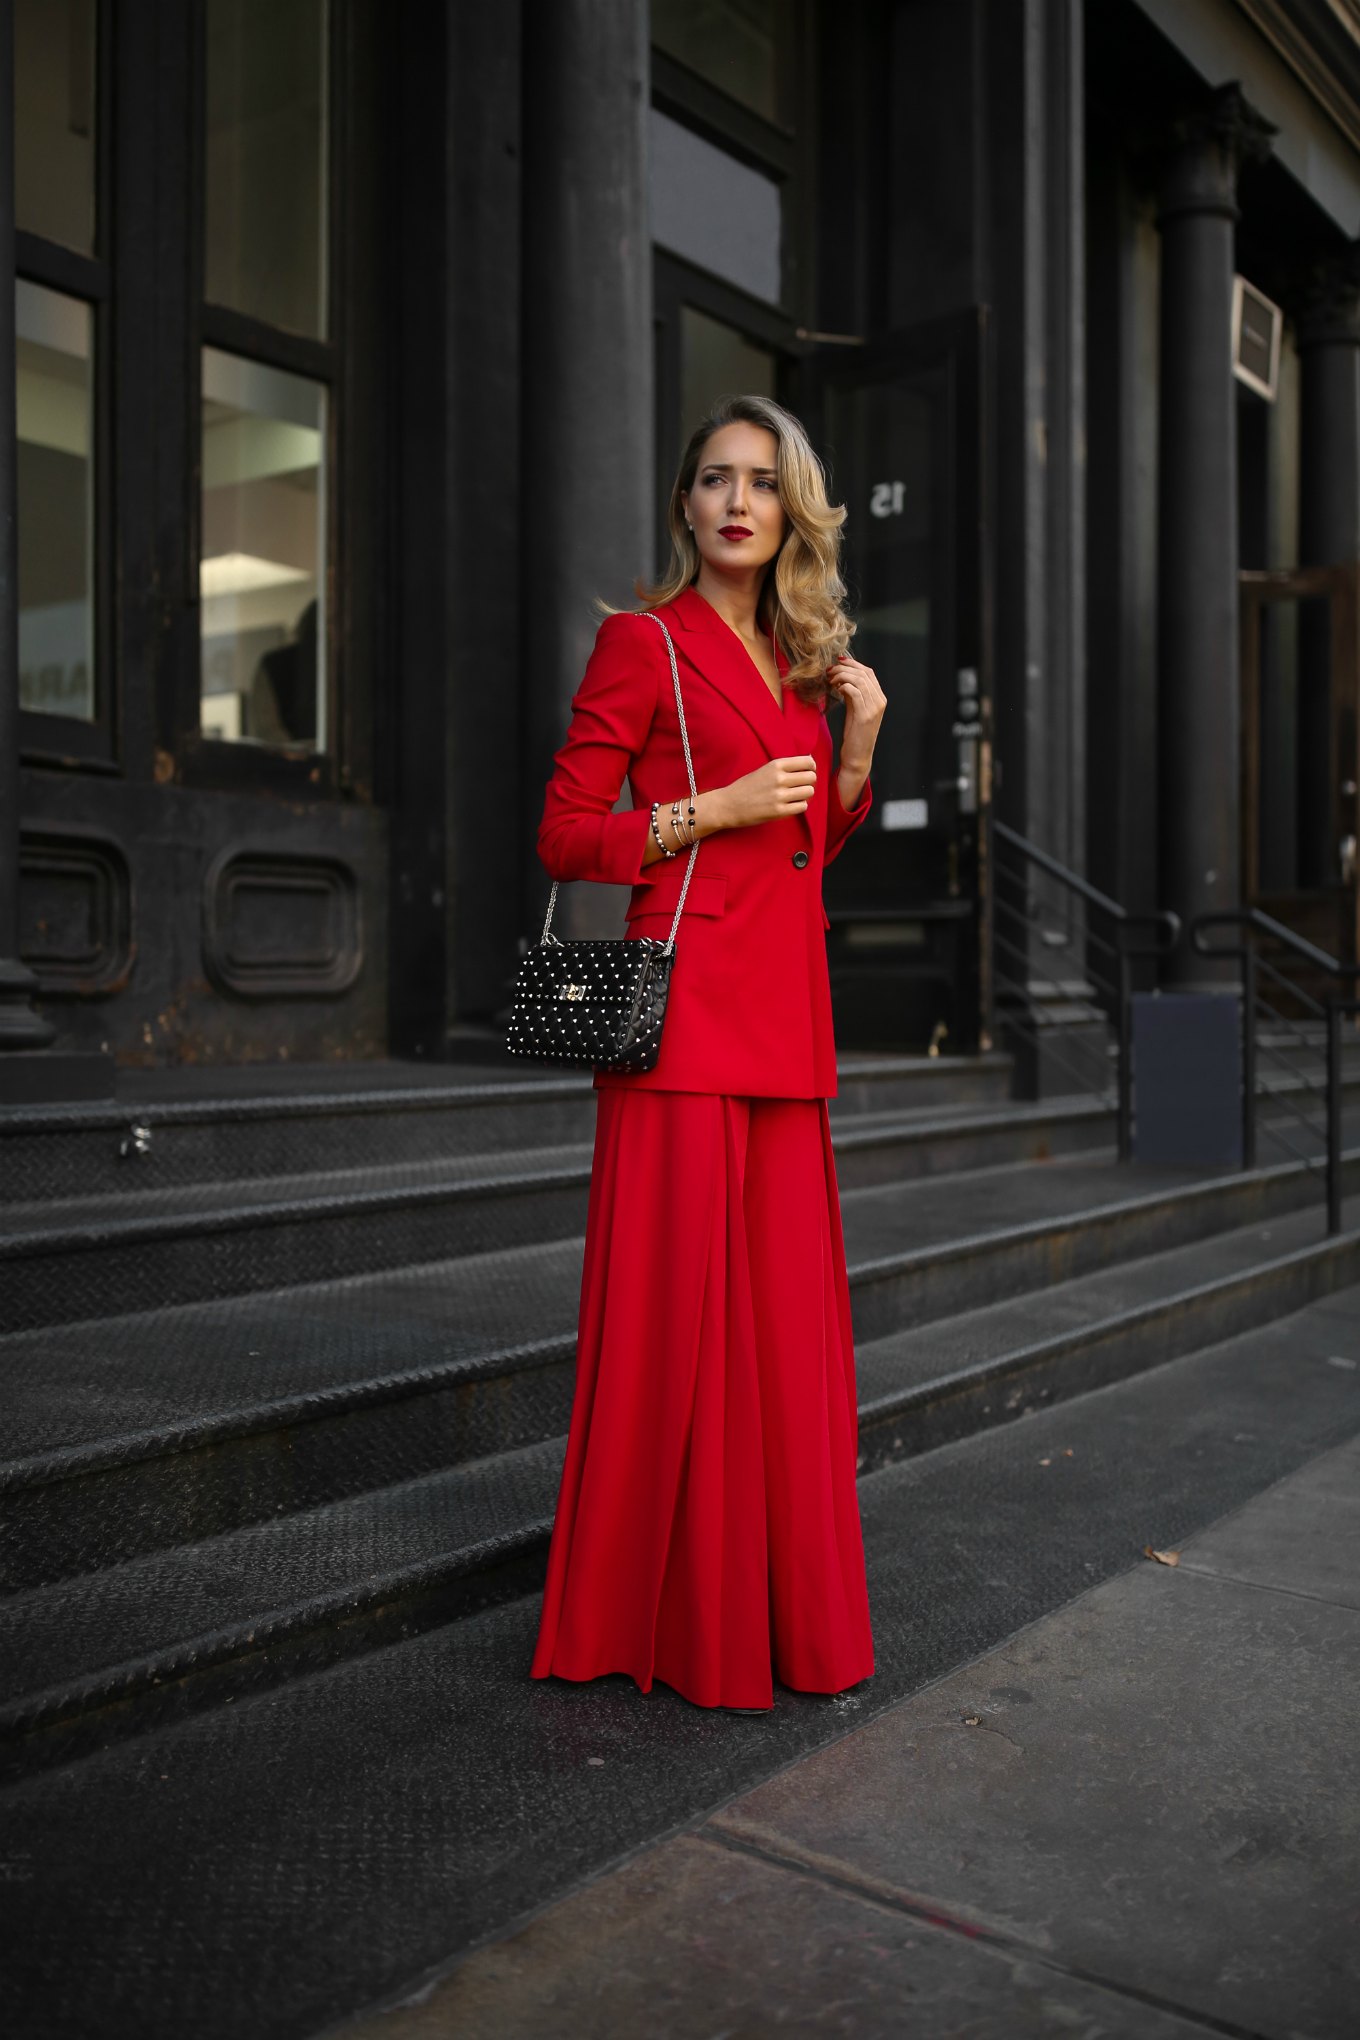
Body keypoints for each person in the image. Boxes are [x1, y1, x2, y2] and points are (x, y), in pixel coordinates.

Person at [529, 393, 887, 1712]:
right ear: (685, 505)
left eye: (763, 482)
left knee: (786, 1342)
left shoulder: (803, 666)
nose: (738, 501)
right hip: (674, 1026)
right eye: (715, 480)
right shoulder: (645, 643)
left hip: (785, 1028)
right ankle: (646, 1621)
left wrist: (852, 751)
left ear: (793, 511)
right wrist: (705, 809)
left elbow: (808, 854)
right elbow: (567, 834)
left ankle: (782, 1623)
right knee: (669, 1329)